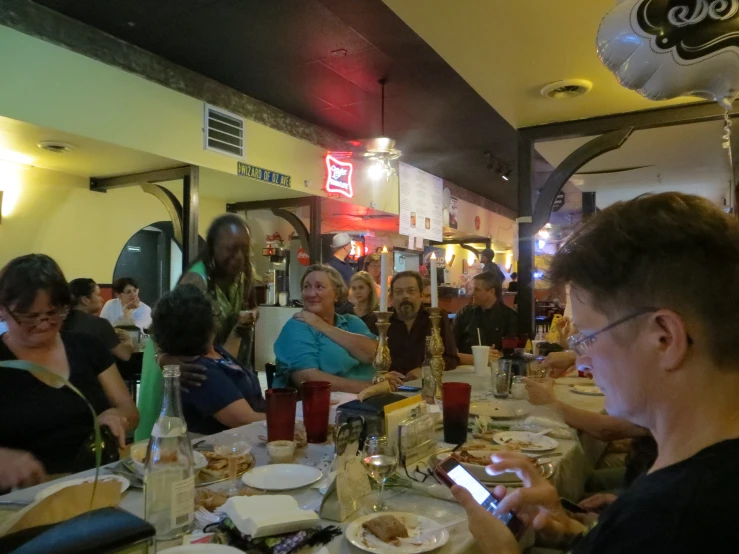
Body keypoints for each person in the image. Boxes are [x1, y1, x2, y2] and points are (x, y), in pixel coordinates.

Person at [453, 192, 739, 553]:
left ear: (664, 339)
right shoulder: (675, 493)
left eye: (588, 337)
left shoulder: (673, 519)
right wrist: (578, 533)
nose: (582, 361)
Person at [0, 255, 138, 477]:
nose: (44, 323)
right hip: (20, 497)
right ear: (2, 310)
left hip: (94, 480)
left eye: (55, 313)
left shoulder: (87, 347)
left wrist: (117, 416)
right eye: (30, 316)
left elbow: (129, 410)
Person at [136, 213, 259, 441]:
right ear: (212, 248)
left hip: (213, 359)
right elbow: (161, 326)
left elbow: (246, 307)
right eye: (231, 249)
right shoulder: (197, 279)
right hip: (176, 363)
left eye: (244, 248)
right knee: (167, 437)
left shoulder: (242, 275)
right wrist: (165, 361)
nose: (239, 256)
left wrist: (247, 319)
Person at [150, 285, 265, 435]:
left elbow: (225, 368)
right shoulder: (199, 370)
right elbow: (245, 420)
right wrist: (292, 418)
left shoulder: (212, 352)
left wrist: (238, 330)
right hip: (231, 449)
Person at [274, 264, 403, 393]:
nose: (311, 293)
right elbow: (307, 378)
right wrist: (370, 387)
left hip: (369, 398)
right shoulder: (297, 326)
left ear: (337, 294)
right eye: (306, 287)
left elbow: (373, 355)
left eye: (319, 286)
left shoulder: (352, 322)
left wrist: (324, 327)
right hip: (328, 405)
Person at [387, 271, 458, 380]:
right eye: (399, 292)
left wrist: (425, 370)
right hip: (390, 386)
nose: (405, 296)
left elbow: (451, 359)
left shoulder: (436, 318)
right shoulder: (381, 321)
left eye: (411, 291)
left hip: (426, 384)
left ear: (420, 295)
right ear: (391, 297)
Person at [454, 272, 517, 365]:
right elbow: (451, 348)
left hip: (496, 369)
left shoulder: (509, 317)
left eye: (476, 289)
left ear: (491, 292)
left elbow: (511, 353)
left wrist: (496, 355)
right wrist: (481, 356)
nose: (472, 293)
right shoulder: (464, 313)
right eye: (472, 289)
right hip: (465, 369)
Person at [65, 278, 134, 362]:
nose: (101, 299)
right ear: (85, 300)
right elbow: (125, 355)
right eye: (98, 295)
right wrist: (129, 340)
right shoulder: (100, 324)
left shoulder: (60, 322)